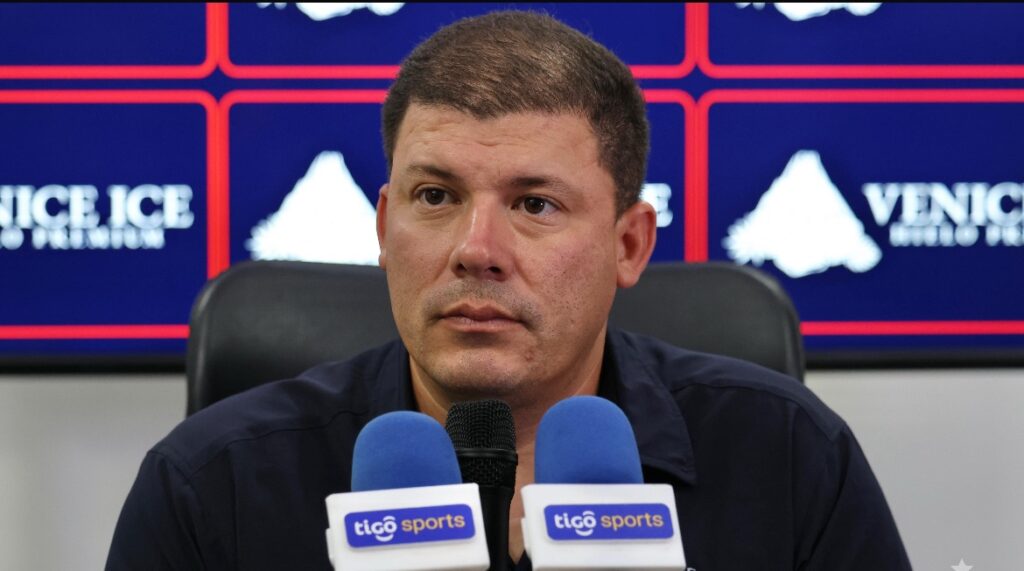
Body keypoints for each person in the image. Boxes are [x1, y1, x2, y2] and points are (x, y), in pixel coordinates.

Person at [107, 10, 910, 570]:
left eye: (535, 205)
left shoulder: (790, 457)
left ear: (628, 245)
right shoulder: (210, 486)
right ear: (383, 227)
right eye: (435, 196)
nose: (475, 250)